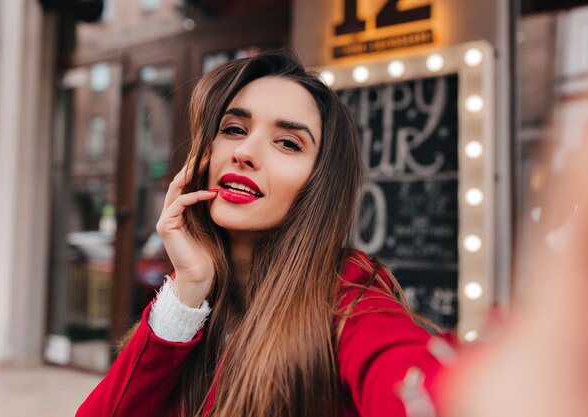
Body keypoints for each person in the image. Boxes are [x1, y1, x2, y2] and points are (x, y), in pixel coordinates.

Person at [76, 50, 452, 417]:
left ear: (319, 183)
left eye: (288, 143)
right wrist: (188, 291)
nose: (245, 151)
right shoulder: (187, 300)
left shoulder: (348, 296)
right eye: (234, 129)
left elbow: (410, 373)